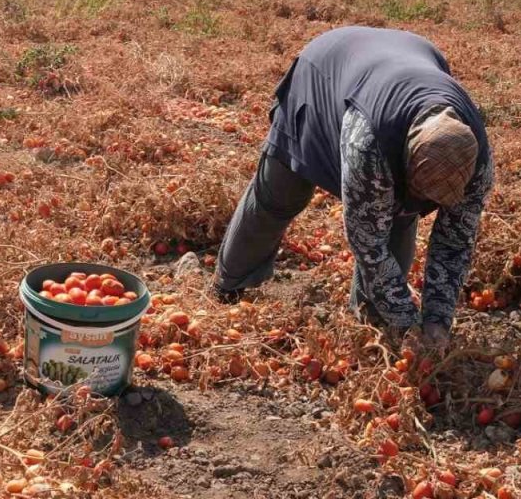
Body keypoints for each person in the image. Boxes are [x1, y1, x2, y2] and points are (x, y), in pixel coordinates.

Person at [212, 27, 494, 356]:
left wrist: (436, 322)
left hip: (400, 63)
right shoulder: (369, 143)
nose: (426, 205)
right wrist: (407, 321)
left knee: (400, 218)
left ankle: (370, 325)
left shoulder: (478, 163)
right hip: (323, 75)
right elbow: (368, 242)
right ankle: (232, 284)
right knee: (281, 194)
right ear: (404, 160)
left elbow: (454, 244)